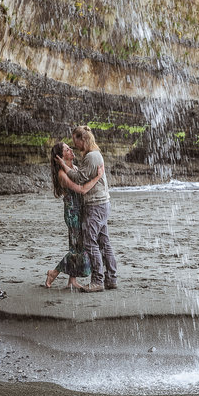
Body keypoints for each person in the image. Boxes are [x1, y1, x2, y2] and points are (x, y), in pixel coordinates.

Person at [57, 125, 117, 293]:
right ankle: (111, 279)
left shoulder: (91, 157)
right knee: (104, 242)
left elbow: (79, 178)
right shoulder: (94, 155)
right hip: (102, 204)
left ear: (82, 139)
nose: (74, 146)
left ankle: (98, 280)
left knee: (91, 243)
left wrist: (63, 164)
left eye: (75, 141)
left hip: (95, 205)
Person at [45, 141, 105, 290]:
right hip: (73, 213)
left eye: (70, 147)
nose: (71, 150)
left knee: (77, 246)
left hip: (81, 210)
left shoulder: (75, 168)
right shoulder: (62, 174)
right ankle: (54, 272)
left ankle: (72, 280)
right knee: (78, 248)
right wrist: (98, 177)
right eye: (67, 149)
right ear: (61, 156)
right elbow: (82, 190)